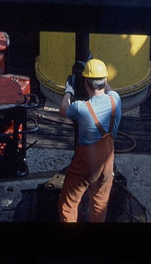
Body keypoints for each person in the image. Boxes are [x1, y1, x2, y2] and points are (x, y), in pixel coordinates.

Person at [58, 58, 122, 223]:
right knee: (100, 202)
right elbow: (109, 90)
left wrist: (69, 90)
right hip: (108, 159)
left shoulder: (81, 108)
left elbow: (64, 109)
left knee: (69, 203)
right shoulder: (115, 100)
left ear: (86, 84)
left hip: (87, 162)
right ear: (106, 80)